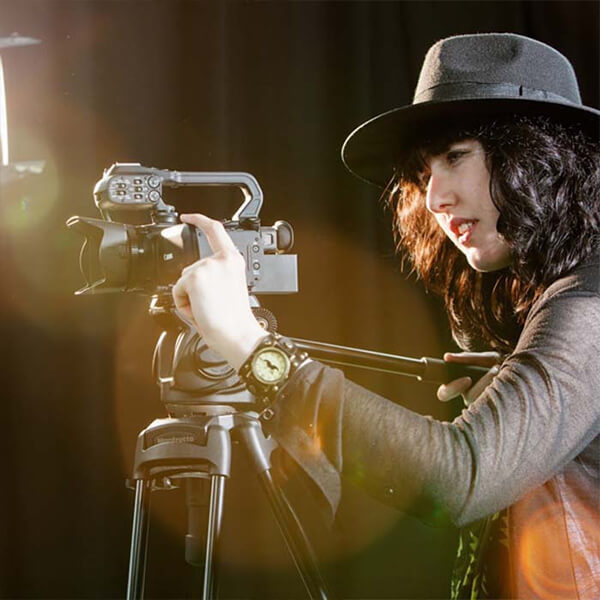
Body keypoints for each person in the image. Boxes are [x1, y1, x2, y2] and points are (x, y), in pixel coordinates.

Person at [172, 34, 599, 599]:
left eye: (455, 157)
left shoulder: (590, 296)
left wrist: (255, 350)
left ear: (538, 155)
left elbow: (460, 478)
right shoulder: (552, 288)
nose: (434, 198)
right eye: (423, 174)